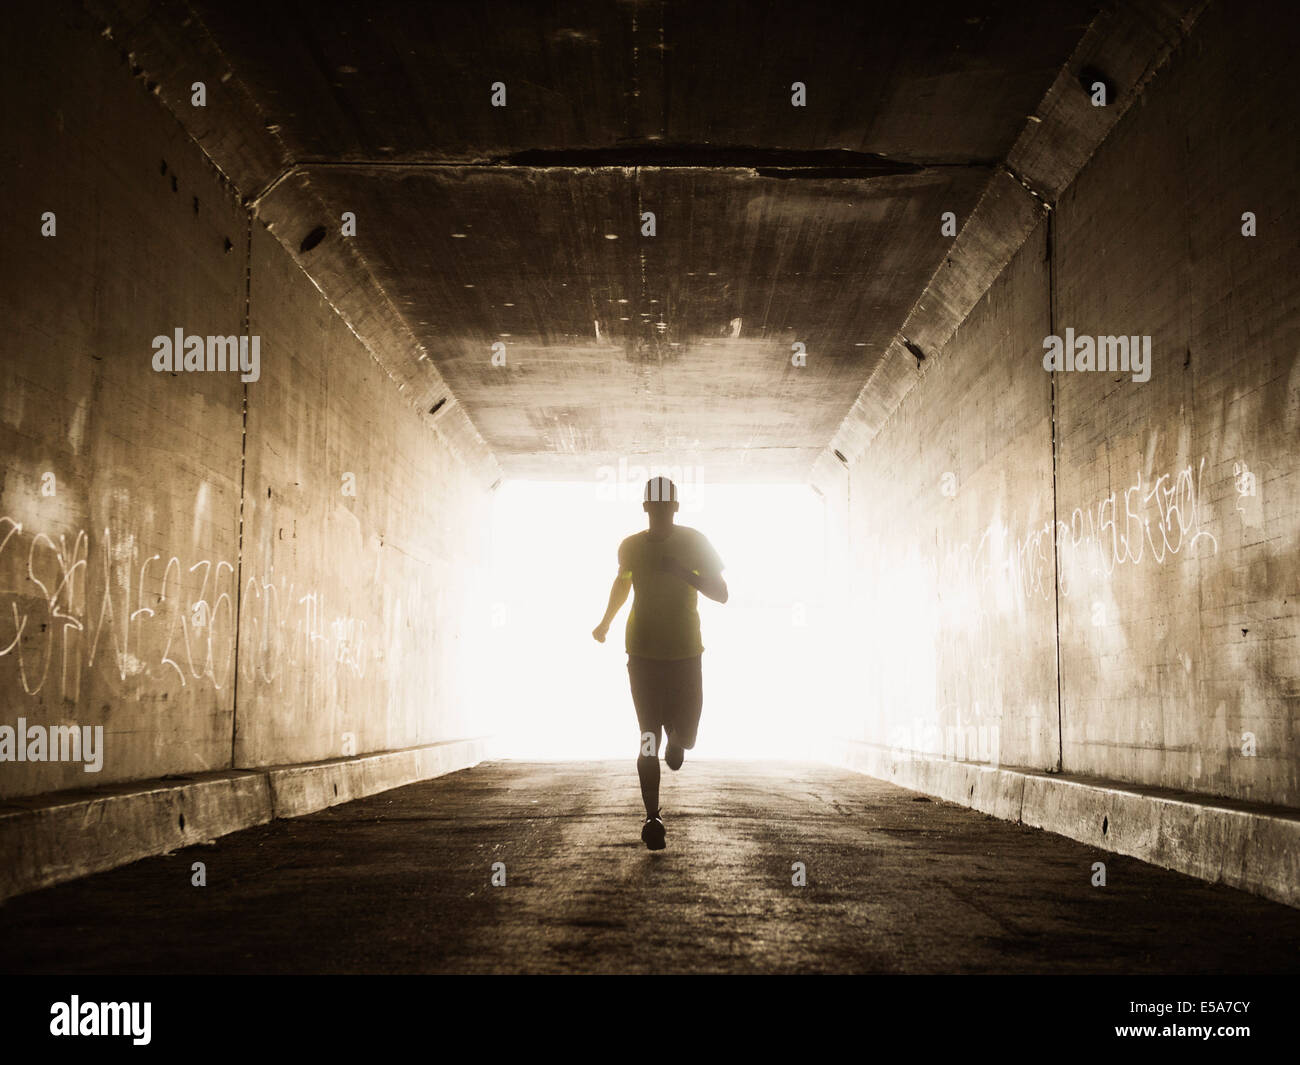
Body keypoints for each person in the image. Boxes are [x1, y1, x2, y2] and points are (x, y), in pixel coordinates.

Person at [591, 476, 728, 850]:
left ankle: (679, 741)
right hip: (643, 656)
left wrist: (683, 572)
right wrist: (605, 622)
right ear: (646, 508)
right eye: (656, 507)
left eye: (667, 508)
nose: (662, 513)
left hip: (686, 656)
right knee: (647, 736)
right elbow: (623, 582)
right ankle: (652, 817)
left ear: (677, 509)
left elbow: (723, 594)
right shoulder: (630, 546)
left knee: (688, 736)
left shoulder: (695, 541)